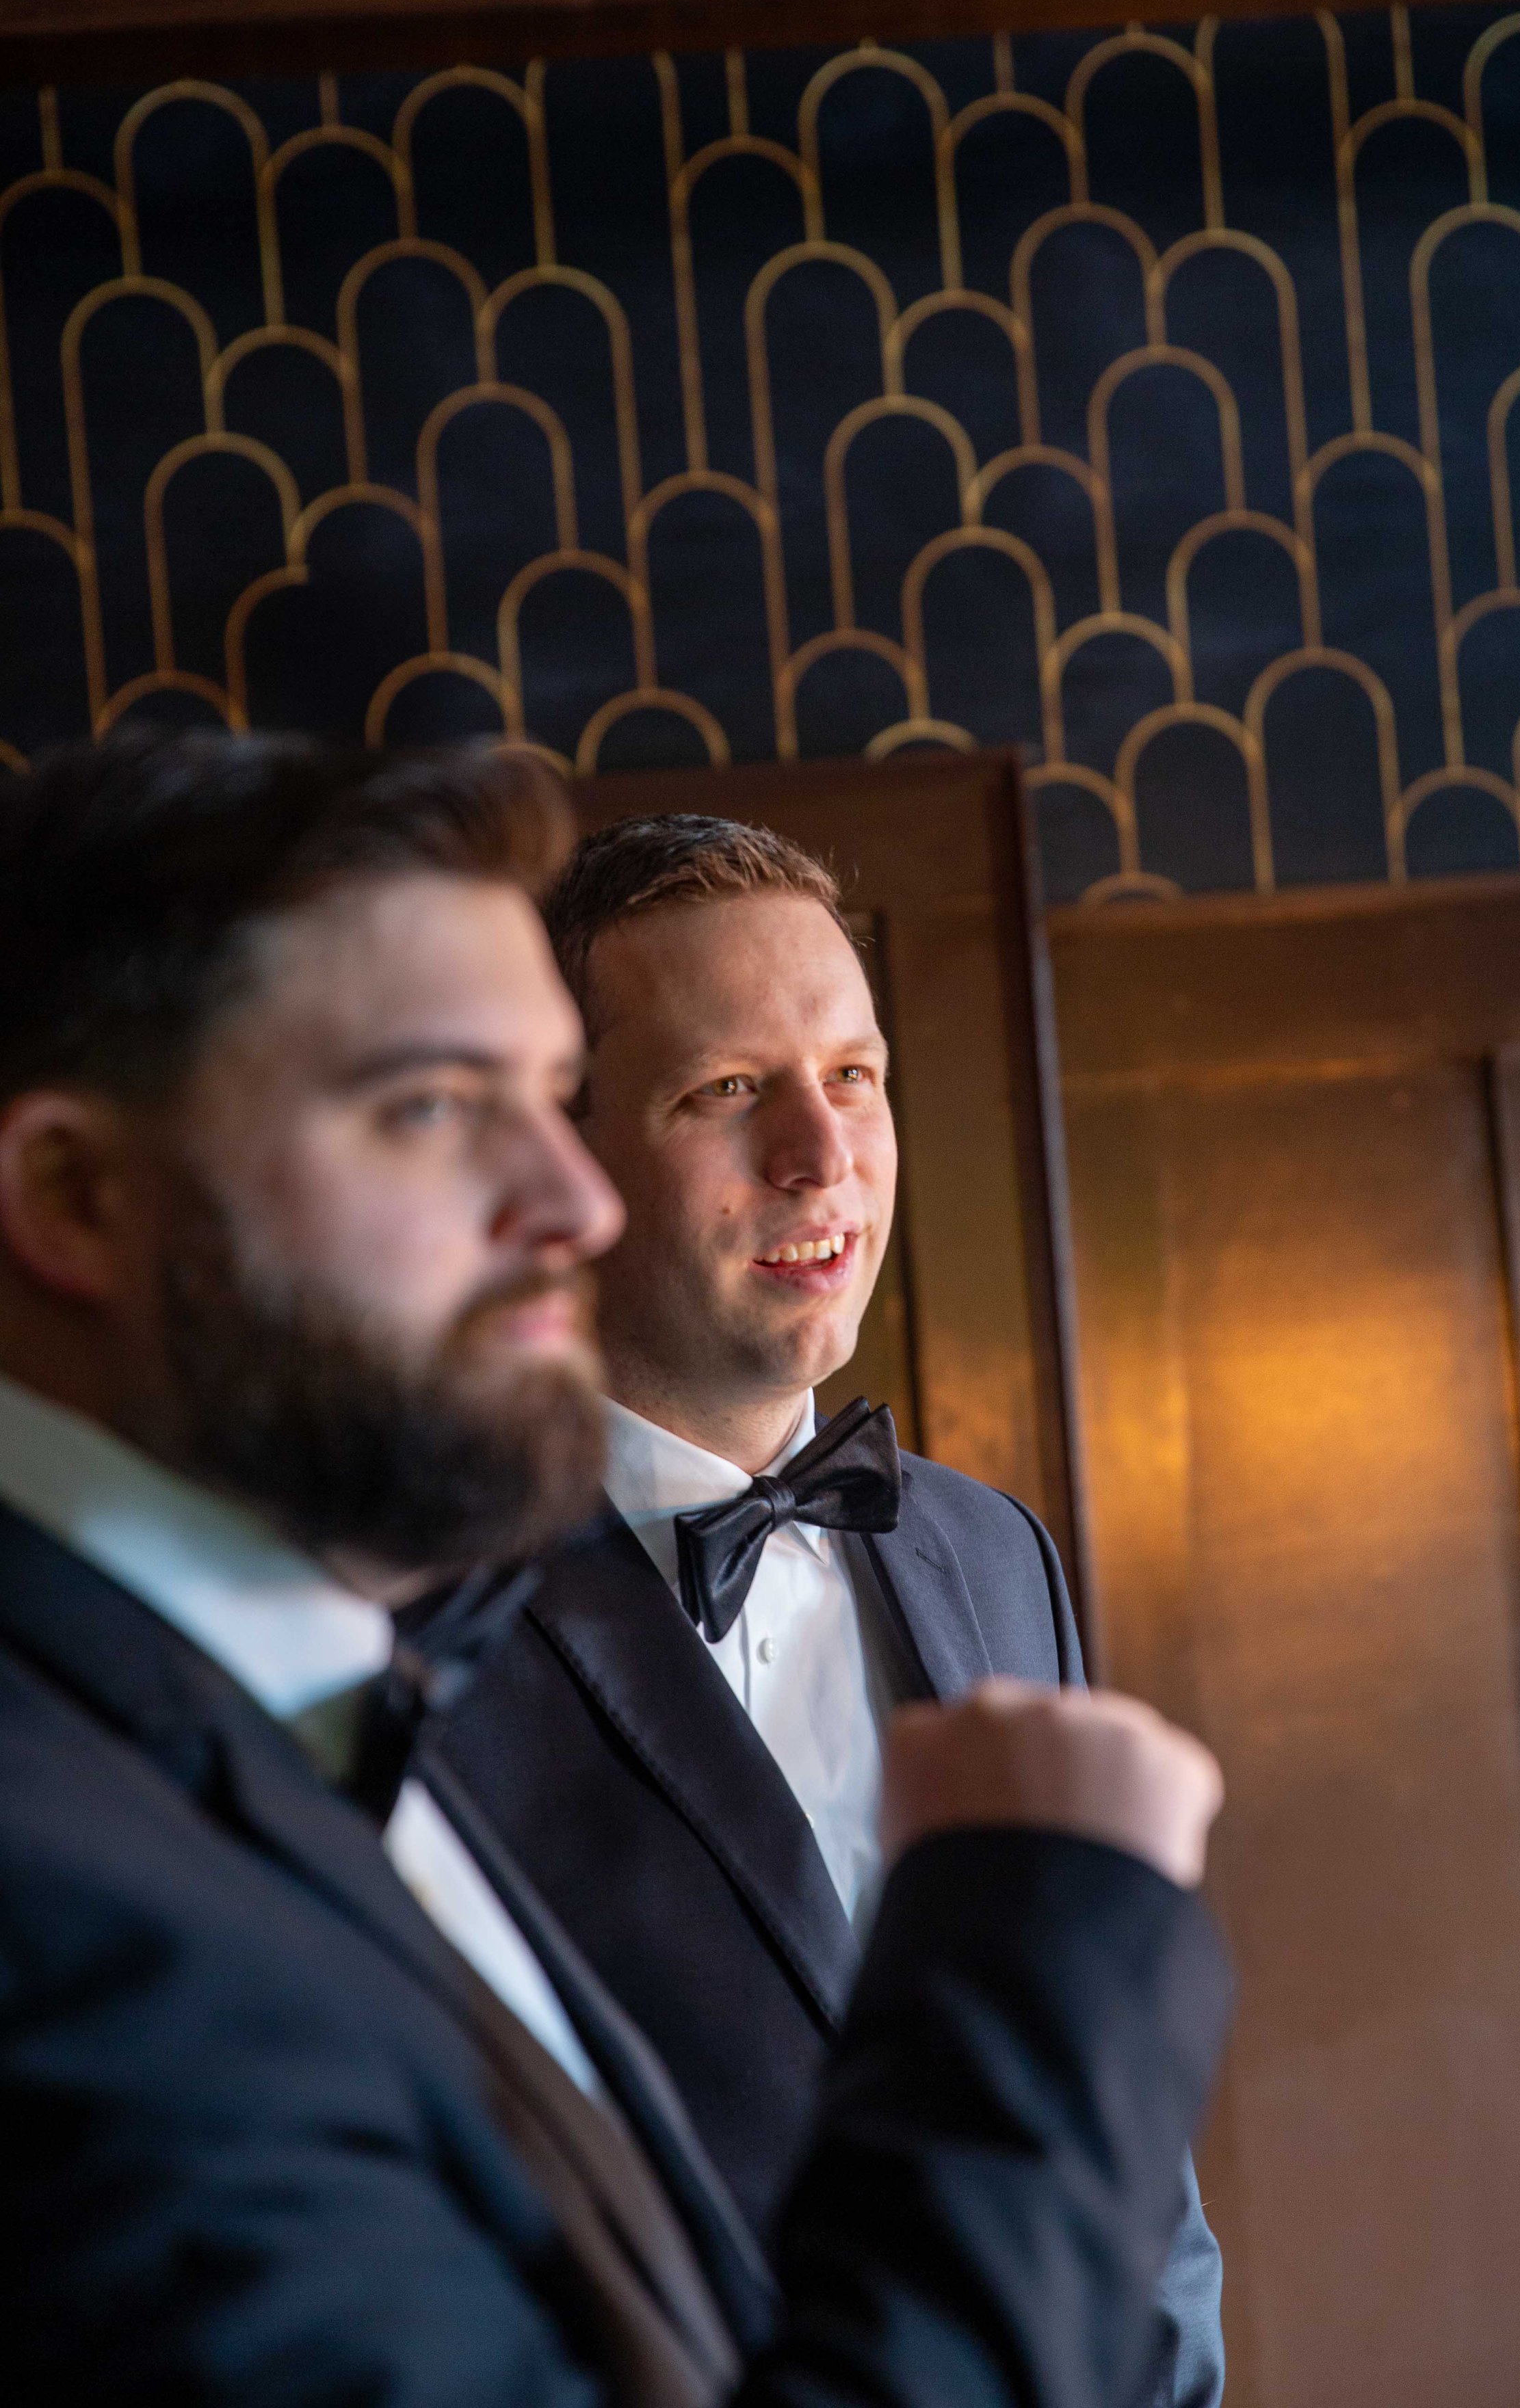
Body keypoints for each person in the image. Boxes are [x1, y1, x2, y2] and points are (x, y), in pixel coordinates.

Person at [0, 732, 1231, 2408]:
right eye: (436, 1106)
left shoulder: (272, 1695)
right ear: (76, 1193)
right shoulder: (77, 1864)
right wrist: (1055, 1956)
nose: (569, 1201)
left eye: (855, 1074)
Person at [438, 812, 1226, 2401]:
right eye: (727, 1090)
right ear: (559, 1153)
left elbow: (1116, 2146)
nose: (824, 1154)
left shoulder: (990, 1549)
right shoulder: (412, 1610)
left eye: (853, 1075)